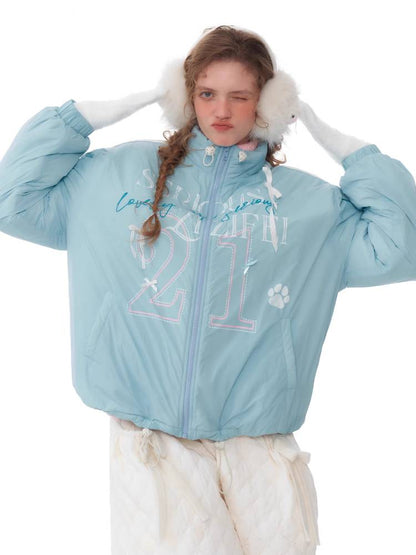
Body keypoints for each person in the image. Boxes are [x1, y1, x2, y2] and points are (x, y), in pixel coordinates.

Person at [1, 24, 416, 555]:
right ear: (184, 95)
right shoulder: (114, 176)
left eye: (240, 96)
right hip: (152, 441)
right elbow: (13, 201)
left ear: (268, 102)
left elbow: (402, 248)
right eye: (206, 93)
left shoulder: (310, 206)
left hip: (259, 440)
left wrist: (347, 147)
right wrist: (82, 116)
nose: (221, 110)